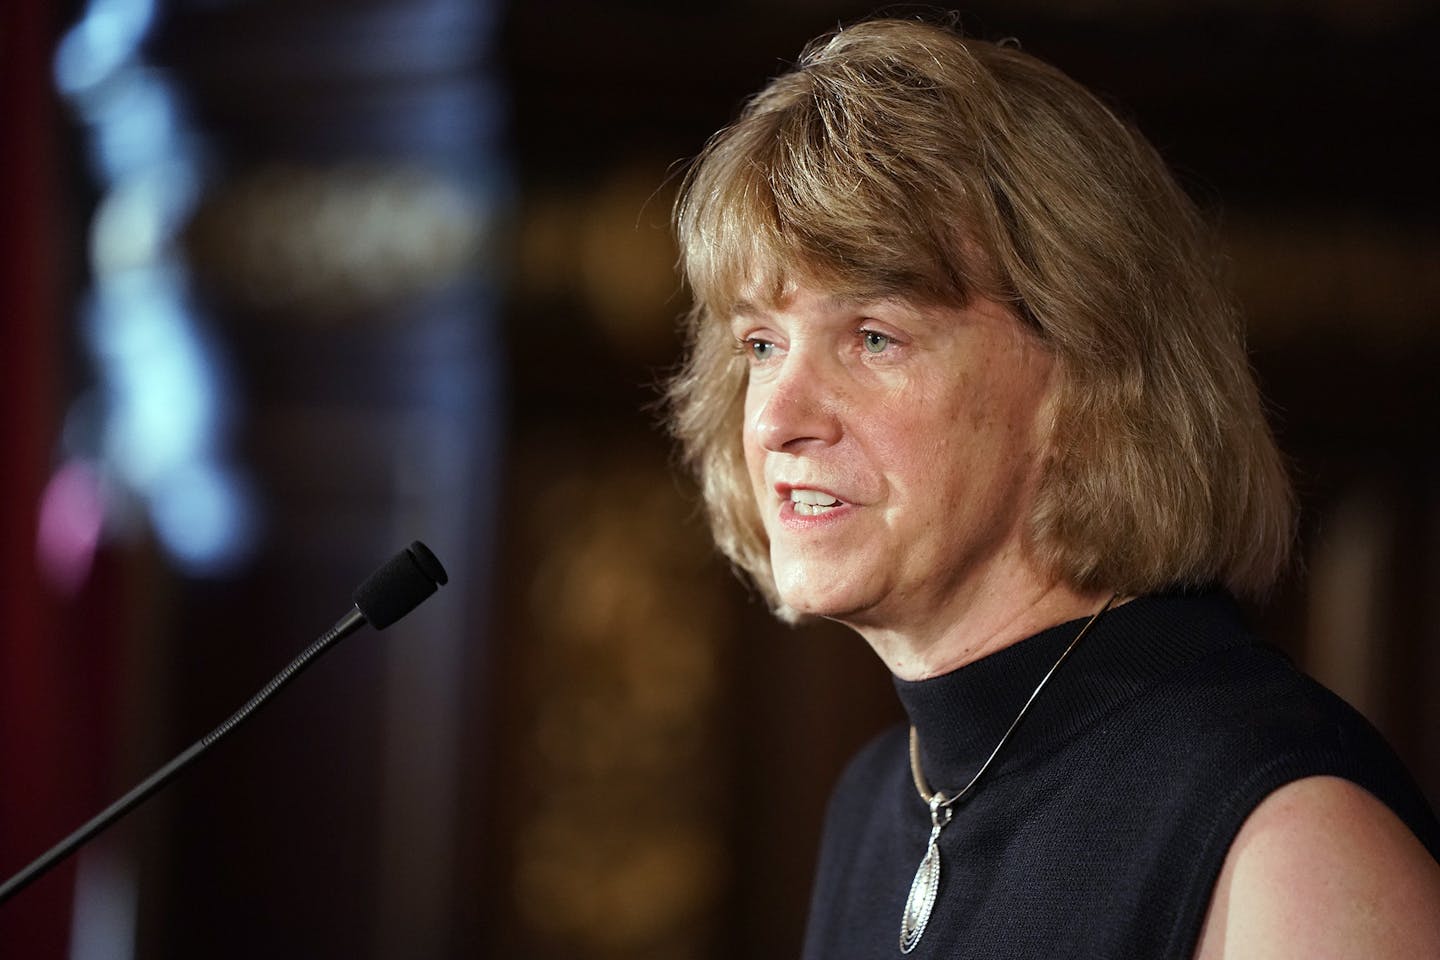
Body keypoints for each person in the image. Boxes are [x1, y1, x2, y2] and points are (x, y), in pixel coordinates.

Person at [665, 16, 1440, 959]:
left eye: (874, 336)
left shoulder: (1294, 843)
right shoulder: (879, 797)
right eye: (761, 345)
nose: (779, 419)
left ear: (1086, 373)